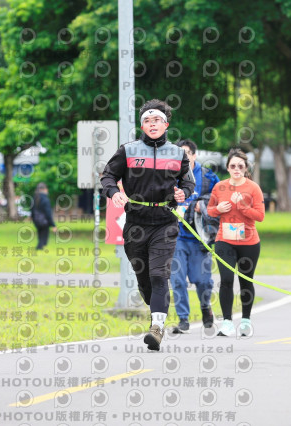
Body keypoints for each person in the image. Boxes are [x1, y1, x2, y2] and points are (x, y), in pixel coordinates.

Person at [101, 99, 195, 351]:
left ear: (166, 124)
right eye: (147, 121)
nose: (152, 124)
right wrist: (113, 192)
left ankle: (157, 328)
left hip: (165, 222)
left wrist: (183, 193)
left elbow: (188, 183)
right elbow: (108, 175)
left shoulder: (177, 153)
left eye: (157, 120)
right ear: (142, 126)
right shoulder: (128, 150)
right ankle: (156, 311)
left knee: (159, 274)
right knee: (144, 280)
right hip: (136, 224)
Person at [207, 148, 265, 337]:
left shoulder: (253, 188)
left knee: (245, 281)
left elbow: (260, 216)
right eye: (233, 166)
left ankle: (246, 320)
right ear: (228, 168)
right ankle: (227, 322)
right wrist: (218, 209)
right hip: (225, 241)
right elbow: (209, 210)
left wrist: (243, 206)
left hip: (249, 243)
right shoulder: (219, 187)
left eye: (240, 166)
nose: (236, 169)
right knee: (226, 280)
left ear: (246, 168)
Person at [170, 139, 220, 333]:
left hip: (200, 237)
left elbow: (219, 200)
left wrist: (203, 205)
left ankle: (206, 307)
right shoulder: (169, 176)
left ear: (194, 155)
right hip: (176, 237)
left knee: (202, 280)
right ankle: (183, 319)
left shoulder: (208, 177)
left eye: (186, 154)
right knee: (177, 280)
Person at [32, 182, 56, 250]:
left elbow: (32, 210)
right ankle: (40, 247)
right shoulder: (45, 199)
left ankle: (40, 246)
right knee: (44, 234)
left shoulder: (35, 198)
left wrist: (33, 219)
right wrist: (53, 225)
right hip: (44, 221)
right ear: (45, 189)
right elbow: (48, 213)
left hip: (36, 220)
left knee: (40, 234)